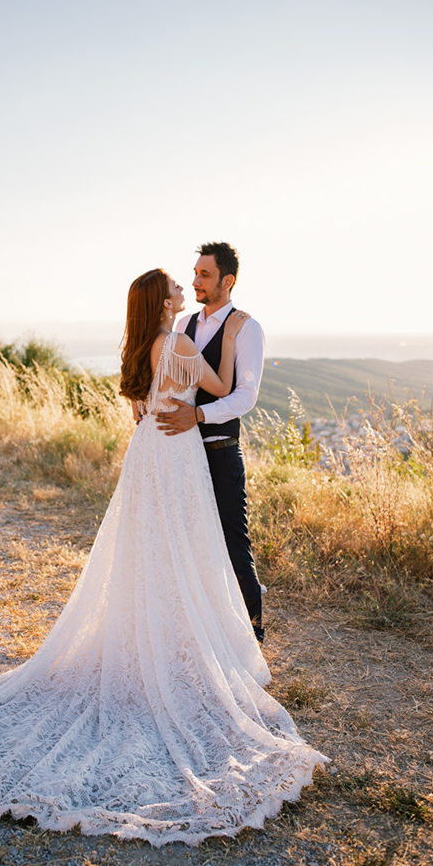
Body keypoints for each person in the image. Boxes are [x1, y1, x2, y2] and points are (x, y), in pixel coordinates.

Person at [0, 268, 327, 846]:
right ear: (162, 301)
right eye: (176, 286)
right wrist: (232, 340)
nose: (182, 290)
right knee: (185, 551)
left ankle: (148, 636)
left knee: (148, 553)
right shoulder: (176, 342)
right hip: (178, 455)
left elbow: (140, 412)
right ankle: (183, 643)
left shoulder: (139, 349)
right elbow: (225, 388)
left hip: (148, 449)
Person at [156, 243, 266, 644]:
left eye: (204, 274)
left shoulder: (246, 328)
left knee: (232, 540)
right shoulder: (182, 324)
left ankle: (252, 630)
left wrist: (199, 415)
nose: (195, 281)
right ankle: (201, 628)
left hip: (219, 451)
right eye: (195, 273)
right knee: (188, 541)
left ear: (227, 280)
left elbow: (245, 396)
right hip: (179, 454)